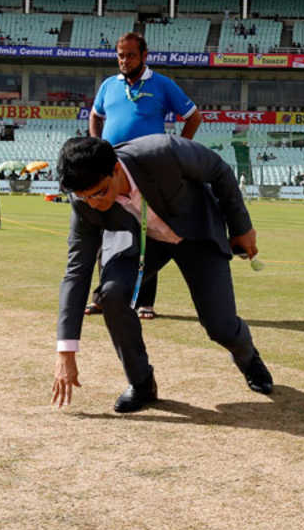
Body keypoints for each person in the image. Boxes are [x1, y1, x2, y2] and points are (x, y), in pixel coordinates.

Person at [51, 135, 272, 413]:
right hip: (141, 244)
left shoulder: (163, 152)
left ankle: (248, 357)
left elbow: (219, 169)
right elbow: (77, 271)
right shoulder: (82, 200)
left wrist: (241, 228)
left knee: (220, 327)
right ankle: (141, 383)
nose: (93, 203)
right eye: (84, 197)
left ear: (116, 169)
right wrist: (66, 350)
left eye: (100, 192)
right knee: (111, 295)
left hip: (196, 233)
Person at [85, 32, 202, 320]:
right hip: (112, 173)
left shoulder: (162, 85)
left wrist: (176, 150)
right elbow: (95, 115)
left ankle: (145, 302)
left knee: (146, 237)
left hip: (148, 174)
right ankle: (103, 297)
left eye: (131, 55)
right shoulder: (109, 86)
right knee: (108, 235)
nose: (124, 60)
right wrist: (96, 145)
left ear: (144, 56)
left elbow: (193, 116)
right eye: (120, 55)